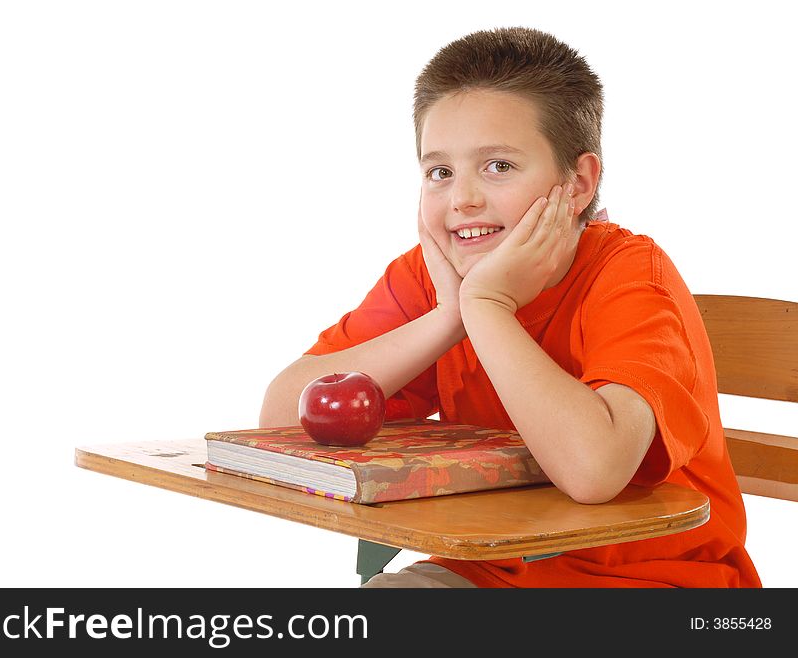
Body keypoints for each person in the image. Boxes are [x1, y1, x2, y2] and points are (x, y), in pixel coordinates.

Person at [258, 27, 761, 588]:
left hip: (652, 583)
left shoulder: (629, 277)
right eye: (439, 171)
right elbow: (281, 421)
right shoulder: (434, 280)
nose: (462, 198)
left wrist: (488, 308)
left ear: (577, 184)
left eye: (498, 166)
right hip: (488, 573)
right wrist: (451, 317)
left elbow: (593, 470)